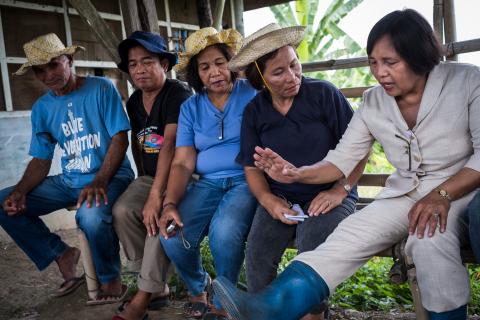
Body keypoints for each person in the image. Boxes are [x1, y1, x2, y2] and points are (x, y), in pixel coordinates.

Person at [213, 9, 480, 320]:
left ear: (419, 56)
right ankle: (270, 306)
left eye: (390, 63)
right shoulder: (374, 101)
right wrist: (296, 173)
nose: (380, 73)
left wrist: (442, 194)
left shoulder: (465, 81)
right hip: (406, 193)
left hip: (463, 188)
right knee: (348, 234)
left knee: (429, 240)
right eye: (373, 63)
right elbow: (341, 159)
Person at [230, 23, 368, 320]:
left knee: (311, 242)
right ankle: (264, 312)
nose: (292, 76)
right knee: (257, 251)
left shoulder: (323, 95)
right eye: (278, 72)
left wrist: (339, 190)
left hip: (331, 192)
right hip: (281, 196)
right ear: (261, 79)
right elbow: (251, 167)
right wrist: (269, 200)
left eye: (294, 65)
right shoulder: (255, 112)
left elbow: (360, 149)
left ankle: (313, 315)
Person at [0, 33, 134, 304]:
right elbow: (41, 159)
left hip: (110, 176)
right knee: (4, 201)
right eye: (41, 70)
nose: (49, 74)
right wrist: (21, 191)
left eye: (54, 64)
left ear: (69, 59)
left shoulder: (101, 88)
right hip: (69, 180)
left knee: (91, 217)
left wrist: (100, 180)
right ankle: (61, 253)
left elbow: (120, 137)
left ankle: (111, 281)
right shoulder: (42, 108)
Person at [158, 27, 258, 320]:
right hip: (208, 183)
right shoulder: (190, 107)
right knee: (172, 236)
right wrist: (170, 204)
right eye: (205, 67)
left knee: (223, 233)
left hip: (247, 179)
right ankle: (199, 286)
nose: (215, 72)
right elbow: (182, 162)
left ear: (232, 63)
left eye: (220, 62)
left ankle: (226, 301)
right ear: (196, 74)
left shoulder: (252, 94)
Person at [112, 31, 193, 320]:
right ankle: (153, 286)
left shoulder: (178, 94)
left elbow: (169, 146)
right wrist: (142, 181)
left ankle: (144, 295)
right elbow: (137, 142)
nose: (139, 69)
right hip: (150, 176)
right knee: (122, 209)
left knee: (159, 217)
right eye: (133, 64)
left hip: (181, 177)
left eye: (147, 61)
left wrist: (155, 194)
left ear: (164, 65)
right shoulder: (134, 102)